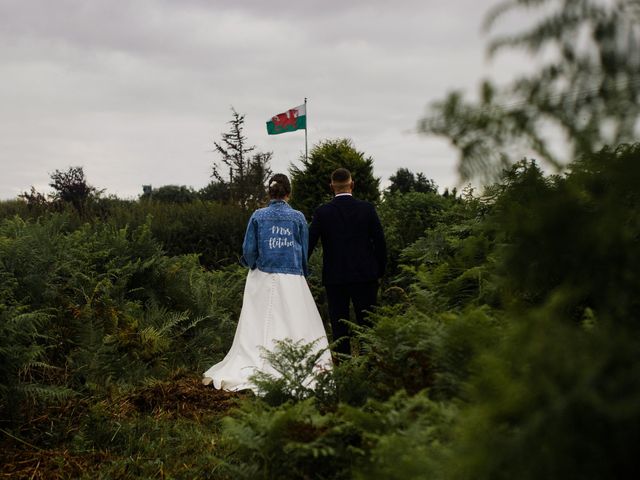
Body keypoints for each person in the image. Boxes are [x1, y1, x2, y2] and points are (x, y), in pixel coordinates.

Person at [203, 173, 332, 392]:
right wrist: (302, 271)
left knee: (258, 320)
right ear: (288, 194)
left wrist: (253, 264)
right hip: (292, 277)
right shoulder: (299, 218)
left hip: (261, 276)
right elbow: (303, 248)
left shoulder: (257, 216)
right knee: (294, 320)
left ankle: (255, 359)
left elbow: (248, 249)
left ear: (268, 193)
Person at [308, 167, 387, 357]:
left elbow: (309, 244)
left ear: (331, 187)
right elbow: (380, 242)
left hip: (335, 277)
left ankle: (344, 368)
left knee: (339, 327)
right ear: (352, 185)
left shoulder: (322, 212)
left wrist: (301, 269)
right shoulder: (367, 209)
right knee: (367, 324)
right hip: (366, 275)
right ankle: (369, 366)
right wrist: (380, 271)